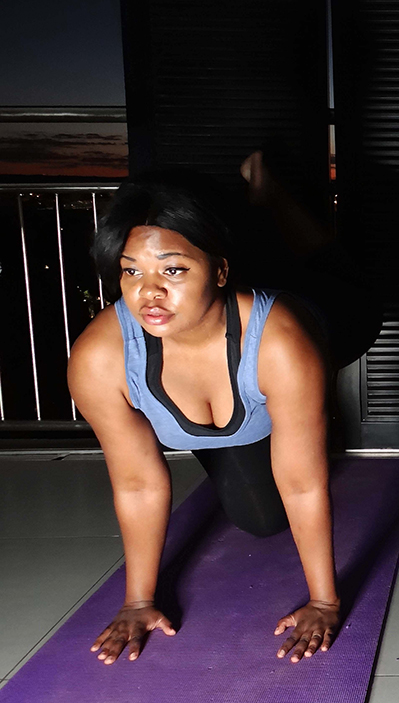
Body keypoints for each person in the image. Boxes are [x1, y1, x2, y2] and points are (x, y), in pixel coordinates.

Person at [67, 153, 344, 665]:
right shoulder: (99, 359)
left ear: (216, 270)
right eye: (131, 271)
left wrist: (324, 601)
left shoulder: (281, 343)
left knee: (329, 272)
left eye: (172, 269)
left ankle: (269, 195)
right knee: (262, 522)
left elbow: (303, 482)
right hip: (228, 328)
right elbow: (138, 482)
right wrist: (138, 602)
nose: (149, 291)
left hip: (321, 321)